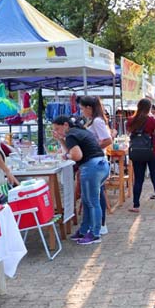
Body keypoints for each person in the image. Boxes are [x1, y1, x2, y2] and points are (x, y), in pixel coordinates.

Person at [52, 115, 109, 245]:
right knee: (87, 200)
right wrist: (62, 140)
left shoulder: (71, 135)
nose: (57, 131)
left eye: (58, 128)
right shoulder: (80, 131)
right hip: (101, 165)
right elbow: (73, 150)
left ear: (66, 125)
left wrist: (66, 155)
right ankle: (84, 230)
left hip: (91, 168)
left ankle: (95, 233)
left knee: (91, 202)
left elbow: (77, 155)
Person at [125, 98, 155, 213]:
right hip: (153, 151)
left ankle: (136, 205)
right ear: (149, 108)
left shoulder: (131, 120)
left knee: (138, 179)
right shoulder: (150, 120)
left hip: (137, 152)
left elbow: (128, 130)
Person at [79, 96, 114, 235]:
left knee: (96, 196)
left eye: (82, 108)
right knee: (96, 194)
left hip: (96, 161)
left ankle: (100, 225)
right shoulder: (93, 120)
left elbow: (107, 140)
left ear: (89, 108)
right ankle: (96, 225)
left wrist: (92, 147)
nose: (81, 111)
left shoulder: (98, 121)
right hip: (94, 161)